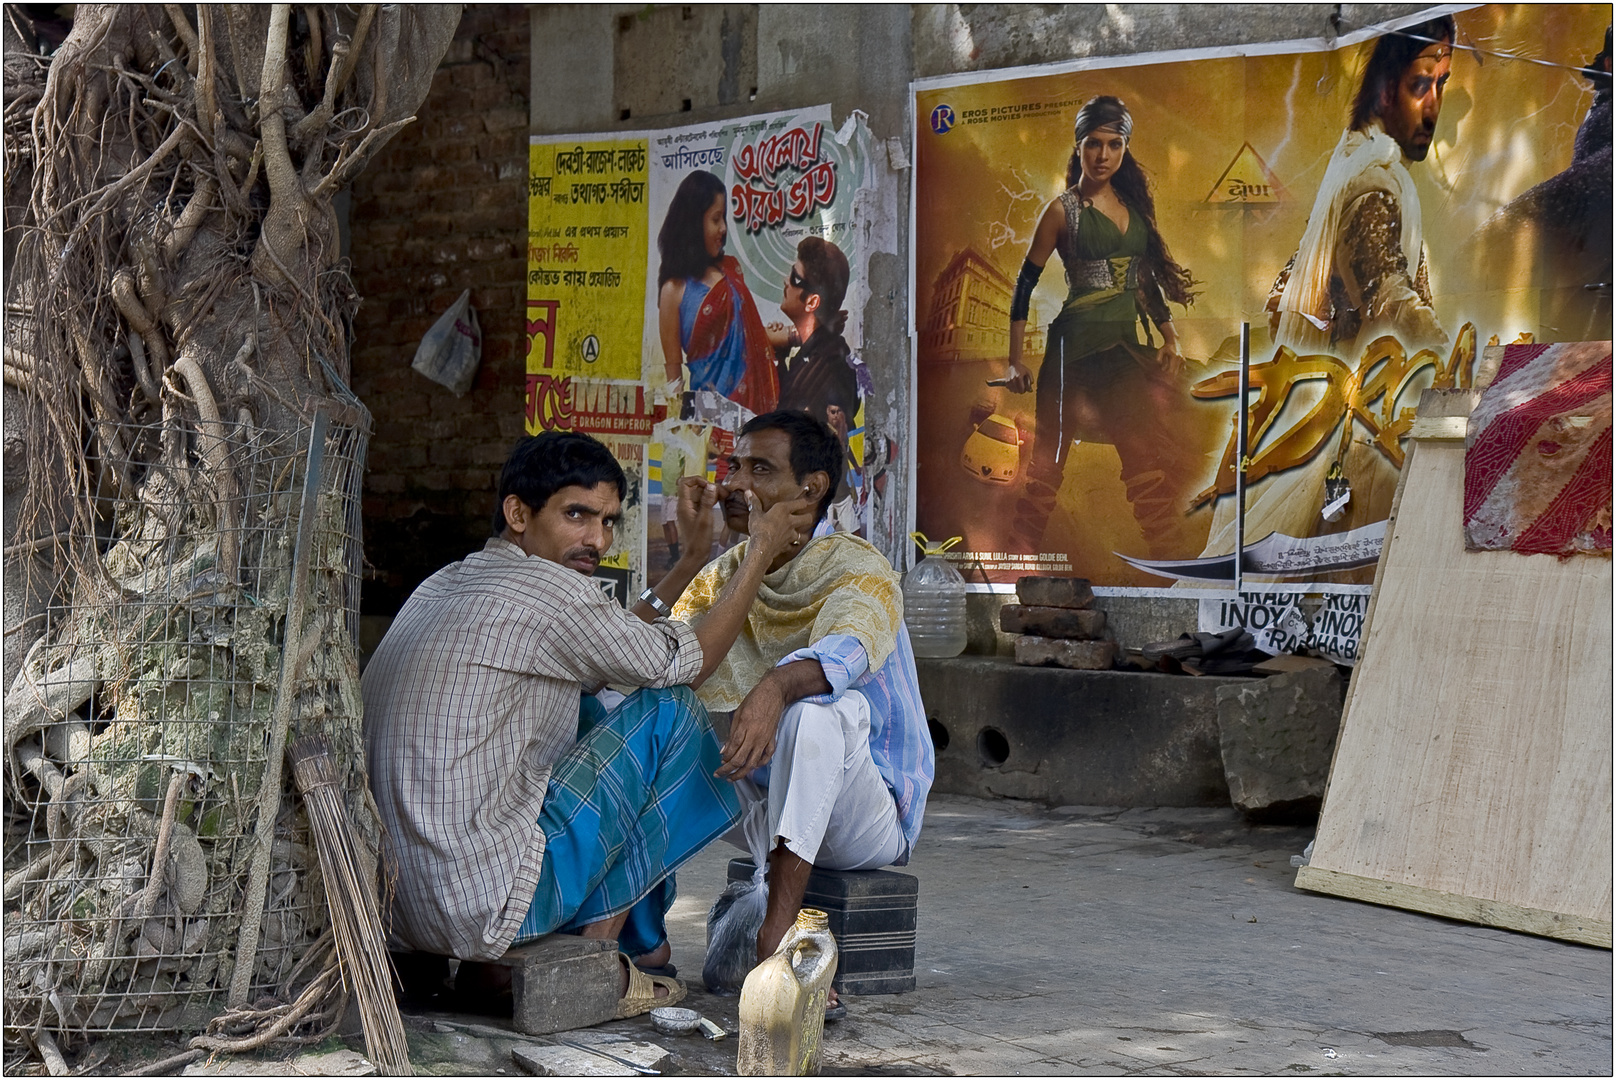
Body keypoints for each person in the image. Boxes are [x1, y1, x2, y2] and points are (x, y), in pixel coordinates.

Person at [362, 431, 814, 1014]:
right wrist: (759, 551)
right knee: (670, 712)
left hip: (400, 909)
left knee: (588, 701)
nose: (596, 539)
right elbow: (687, 665)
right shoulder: (551, 593)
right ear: (518, 513)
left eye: (607, 521)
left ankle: (506, 966)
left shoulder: (447, 579)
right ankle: (597, 953)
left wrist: (690, 565)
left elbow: (604, 655)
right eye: (576, 515)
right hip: (483, 905)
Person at [671, 411, 933, 1016]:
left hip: (865, 818)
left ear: (811, 489)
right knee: (645, 714)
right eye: (734, 466)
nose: (736, 484)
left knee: (816, 713)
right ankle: (634, 936)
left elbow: (850, 650)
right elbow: (655, 656)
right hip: (764, 798)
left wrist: (777, 686)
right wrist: (689, 559)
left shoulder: (859, 567)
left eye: (759, 469)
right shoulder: (730, 572)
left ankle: (778, 942)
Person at [1198, 17, 1456, 560]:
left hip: (1359, 413)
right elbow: (1391, 298)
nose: (1433, 106)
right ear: (1386, 88)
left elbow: (1279, 298)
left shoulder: (1356, 172)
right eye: (1419, 85)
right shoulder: (1372, 184)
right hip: (1362, 428)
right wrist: (1459, 364)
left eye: (1443, 84)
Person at [1001, 95, 1209, 559]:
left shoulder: (1134, 212)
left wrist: (1169, 334)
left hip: (1120, 352)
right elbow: (1024, 287)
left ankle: (1172, 574)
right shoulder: (1061, 211)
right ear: (1078, 146)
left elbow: (1143, 279)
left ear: (1124, 148)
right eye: (1093, 144)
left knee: (1144, 464)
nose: (1103, 155)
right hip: (1069, 354)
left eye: (1114, 145)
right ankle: (1011, 574)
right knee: (1046, 471)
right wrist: (1016, 361)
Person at [657, 170, 778, 416]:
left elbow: (748, 341)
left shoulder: (731, 269)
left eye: (724, 219)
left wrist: (795, 336)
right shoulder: (673, 291)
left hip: (753, 417)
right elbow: (674, 381)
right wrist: (685, 433)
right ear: (693, 222)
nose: (723, 228)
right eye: (716, 219)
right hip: (708, 420)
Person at [774, 237, 870, 534]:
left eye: (793, 277)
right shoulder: (809, 356)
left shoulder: (828, 364)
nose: (785, 282)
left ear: (812, 301)